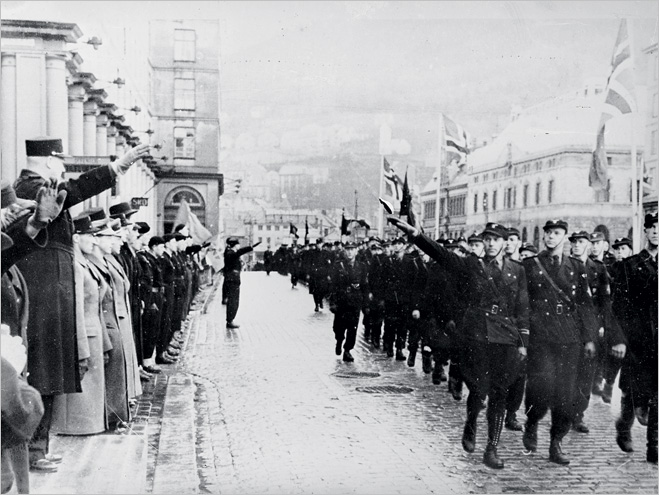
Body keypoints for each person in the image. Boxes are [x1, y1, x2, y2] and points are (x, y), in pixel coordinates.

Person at [13, 136, 149, 472]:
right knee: (41, 372)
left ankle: (39, 447)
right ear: (47, 160)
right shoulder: (29, 188)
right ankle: (32, 449)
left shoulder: (40, 186)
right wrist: (115, 168)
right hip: (42, 295)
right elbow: (73, 190)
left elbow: (70, 191)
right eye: (60, 160)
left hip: (50, 294)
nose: (63, 167)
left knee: (49, 373)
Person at [388, 217, 529, 469]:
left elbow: (522, 306)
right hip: (477, 335)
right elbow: (442, 255)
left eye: (495, 240)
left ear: (504, 242)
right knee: (478, 389)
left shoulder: (517, 270)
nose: (490, 244)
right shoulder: (471, 265)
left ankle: (492, 448)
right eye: (486, 239)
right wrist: (417, 236)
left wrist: (522, 341)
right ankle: (471, 422)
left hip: (505, 338)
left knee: (499, 392)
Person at [521, 219, 599, 465]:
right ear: (544, 236)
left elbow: (586, 306)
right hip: (541, 336)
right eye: (548, 233)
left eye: (557, 233)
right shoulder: (531, 265)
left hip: (569, 338)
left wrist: (589, 338)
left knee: (565, 393)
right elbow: (522, 302)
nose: (552, 237)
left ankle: (556, 442)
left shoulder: (576, 267)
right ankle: (532, 422)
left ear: (564, 237)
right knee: (541, 386)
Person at [51, 215, 112, 436]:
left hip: (94, 333)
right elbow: (75, 307)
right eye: (90, 236)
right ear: (76, 237)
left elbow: (97, 306)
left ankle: (87, 427)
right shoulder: (75, 265)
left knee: (91, 394)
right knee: (81, 396)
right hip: (84, 334)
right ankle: (75, 429)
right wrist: (81, 347)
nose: (94, 241)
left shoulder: (85, 263)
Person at [568, 231, 625, 434]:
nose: (576, 245)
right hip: (568, 328)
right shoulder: (564, 266)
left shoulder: (598, 269)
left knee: (585, 375)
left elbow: (604, 302)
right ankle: (566, 412)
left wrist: (603, 326)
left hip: (591, 329)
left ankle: (578, 415)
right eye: (574, 242)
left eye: (581, 242)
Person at [611, 212, 657, 464]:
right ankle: (624, 426)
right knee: (632, 389)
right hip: (637, 338)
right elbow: (617, 306)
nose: (657, 232)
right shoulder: (629, 265)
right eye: (652, 228)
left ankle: (654, 446)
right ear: (646, 231)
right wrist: (619, 338)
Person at [328, 242, 368, 362]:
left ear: (356, 251)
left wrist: (365, 304)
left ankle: (347, 350)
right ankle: (339, 340)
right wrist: (333, 302)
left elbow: (365, 286)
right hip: (341, 302)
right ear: (344, 252)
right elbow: (333, 285)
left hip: (355, 302)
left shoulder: (362, 266)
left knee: (352, 328)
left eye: (352, 249)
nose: (350, 252)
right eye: (348, 249)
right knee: (338, 328)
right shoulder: (338, 265)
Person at [224, 237, 261, 328]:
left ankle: (230, 320)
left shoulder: (230, 252)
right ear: (234, 245)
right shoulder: (230, 253)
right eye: (237, 244)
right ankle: (230, 321)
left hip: (233, 279)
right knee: (233, 301)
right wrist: (250, 247)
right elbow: (239, 252)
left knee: (234, 300)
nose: (239, 246)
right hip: (232, 279)